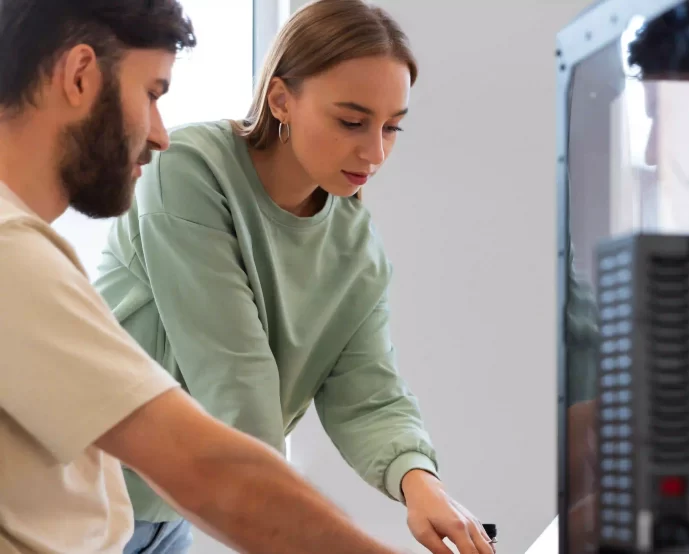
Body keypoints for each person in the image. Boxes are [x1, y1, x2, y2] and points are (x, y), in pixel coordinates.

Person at [0, 1, 438, 553]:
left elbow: (368, 392)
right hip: (131, 503)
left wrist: (418, 476)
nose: (159, 136)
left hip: (133, 517)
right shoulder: (16, 253)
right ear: (81, 75)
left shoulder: (357, 246)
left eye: (392, 127)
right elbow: (220, 435)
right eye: (153, 93)